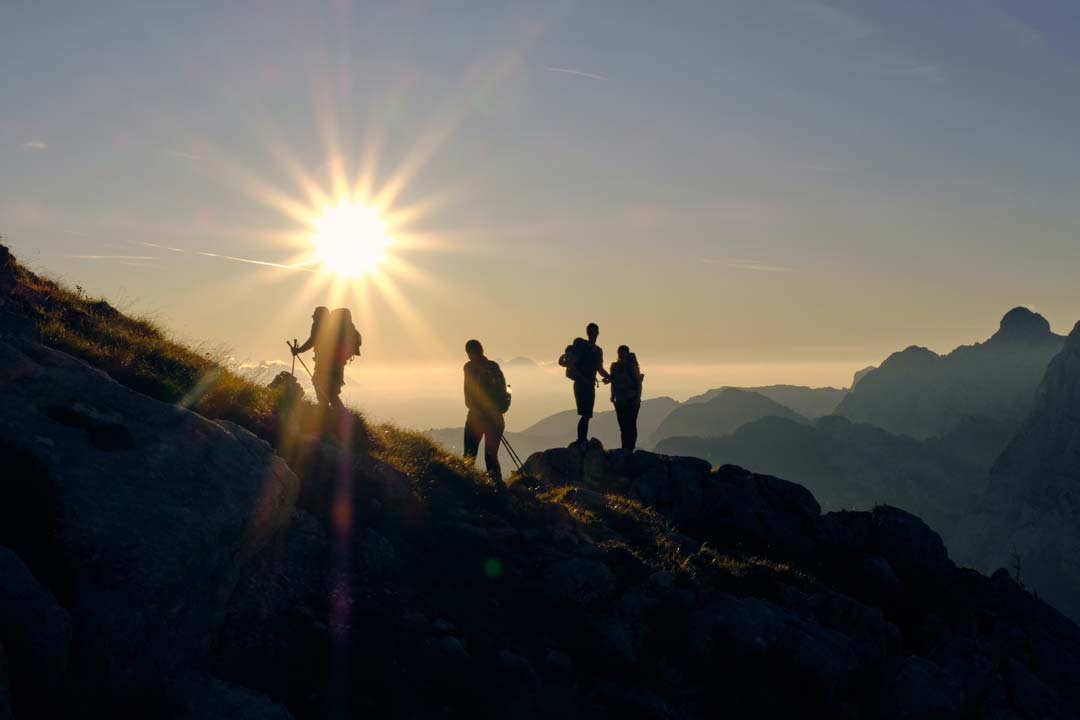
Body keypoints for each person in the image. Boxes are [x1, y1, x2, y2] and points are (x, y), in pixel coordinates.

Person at [292, 306, 361, 410]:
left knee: (320, 384)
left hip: (325, 363)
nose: (313, 317)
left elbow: (312, 341)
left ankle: (330, 410)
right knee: (330, 390)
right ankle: (333, 412)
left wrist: (298, 350)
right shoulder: (335, 326)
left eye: (314, 314)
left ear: (319, 315)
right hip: (338, 364)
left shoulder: (319, 324)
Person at [462, 339, 509, 482]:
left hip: (476, 418)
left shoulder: (469, 367)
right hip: (496, 418)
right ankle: (497, 488)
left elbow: (469, 395)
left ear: (469, 353)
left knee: (469, 456)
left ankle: (467, 486)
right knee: (491, 456)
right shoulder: (494, 366)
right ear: (482, 350)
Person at [559, 322, 611, 445]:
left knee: (586, 413)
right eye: (592, 332)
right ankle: (581, 439)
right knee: (586, 413)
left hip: (585, 383)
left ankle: (582, 439)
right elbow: (599, 369)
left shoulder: (595, 350)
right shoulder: (593, 350)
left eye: (594, 332)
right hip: (583, 384)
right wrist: (609, 377)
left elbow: (599, 369)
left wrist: (610, 377)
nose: (593, 335)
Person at [609, 344, 644, 450]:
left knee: (630, 425)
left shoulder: (631, 367)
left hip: (630, 399)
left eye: (623, 352)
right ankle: (626, 447)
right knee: (624, 426)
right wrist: (612, 395)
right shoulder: (615, 367)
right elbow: (613, 382)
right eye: (620, 352)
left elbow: (638, 384)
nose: (622, 354)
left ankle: (629, 447)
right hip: (621, 400)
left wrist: (637, 398)